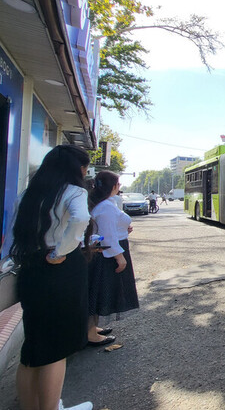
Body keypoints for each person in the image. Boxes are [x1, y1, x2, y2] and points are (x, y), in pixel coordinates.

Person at [9, 145, 93, 410]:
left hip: (31, 269)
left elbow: (15, 234)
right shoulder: (74, 191)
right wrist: (61, 251)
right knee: (56, 348)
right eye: (85, 168)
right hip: (60, 270)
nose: (86, 172)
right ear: (76, 169)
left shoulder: (27, 195)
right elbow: (81, 218)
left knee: (33, 347)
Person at [87, 171, 139, 346]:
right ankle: (89, 333)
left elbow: (109, 228)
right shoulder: (107, 207)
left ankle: (92, 328)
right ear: (114, 186)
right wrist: (120, 257)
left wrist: (124, 229)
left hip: (105, 252)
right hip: (108, 255)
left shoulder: (103, 204)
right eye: (119, 184)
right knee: (99, 293)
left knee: (97, 292)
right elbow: (107, 236)